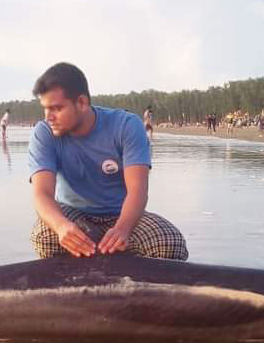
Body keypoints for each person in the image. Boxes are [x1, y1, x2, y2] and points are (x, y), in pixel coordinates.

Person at [28, 63, 188, 261]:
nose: (49, 117)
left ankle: (134, 287)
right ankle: (78, 286)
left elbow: (138, 191)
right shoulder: (44, 133)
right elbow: (41, 193)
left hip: (120, 213)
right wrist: (61, 226)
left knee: (169, 243)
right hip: (72, 213)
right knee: (43, 237)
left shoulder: (126, 126)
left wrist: (122, 229)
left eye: (57, 108)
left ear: (82, 102)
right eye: (45, 109)